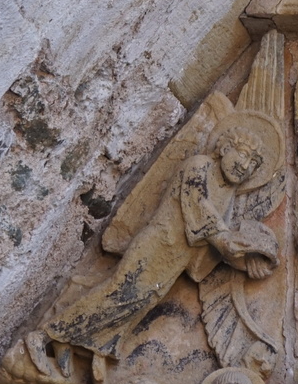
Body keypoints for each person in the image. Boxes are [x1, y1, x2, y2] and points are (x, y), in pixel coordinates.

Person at [44, 122, 279, 360]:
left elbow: (217, 245)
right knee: (119, 294)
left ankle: (71, 343)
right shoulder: (199, 166)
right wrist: (228, 241)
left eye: (253, 165)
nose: (245, 166)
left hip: (175, 261)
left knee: (137, 306)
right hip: (157, 245)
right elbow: (198, 206)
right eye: (244, 155)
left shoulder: (227, 194)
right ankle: (49, 333)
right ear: (225, 148)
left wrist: (246, 263)